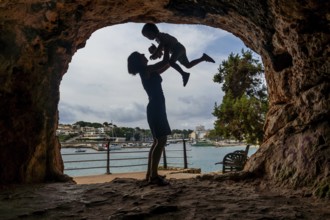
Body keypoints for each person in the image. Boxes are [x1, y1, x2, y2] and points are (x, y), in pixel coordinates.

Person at [127, 48, 171, 186]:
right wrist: (166, 47)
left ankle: (150, 174)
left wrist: (168, 55)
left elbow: (166, 64)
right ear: (138, 61)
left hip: (156, 107)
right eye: (141, 55)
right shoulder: (146, 70)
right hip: (156, 107)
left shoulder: (149, 70)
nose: (144, 55)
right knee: (161, 140)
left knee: (157, 141)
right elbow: (165, 61)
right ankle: (153, 176)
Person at [142, 23, 215, 87]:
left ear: (153, 31)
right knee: (188, 65)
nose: (148, 38)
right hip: (178, 49)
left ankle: (184, 74)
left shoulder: (160, 36)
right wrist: (157, 52)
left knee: (171, 62)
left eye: (148, 35)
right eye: (146, 37)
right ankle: (203, 58)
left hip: (178, 48)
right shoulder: (158, 39)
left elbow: (162, 44)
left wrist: (155, 52)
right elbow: (163, 48)